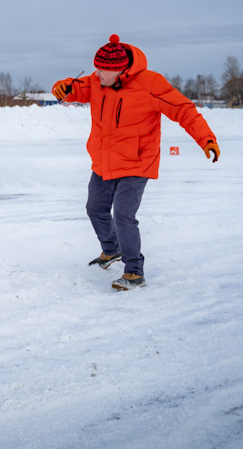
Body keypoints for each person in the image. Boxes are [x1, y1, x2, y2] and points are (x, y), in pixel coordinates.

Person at [52, 34, 220, 291]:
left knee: (123, 215)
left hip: (137, 161)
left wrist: (206, 139)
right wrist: (62, 87)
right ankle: (111, 250)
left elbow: (184, 110)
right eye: (96, 68)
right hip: (104, 160)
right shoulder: (98, 82)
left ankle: (134, 272)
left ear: (121, 70)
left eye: (104, 70)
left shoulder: (151, 84)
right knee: (94, 208)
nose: (98, 74)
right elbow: (76, 88)